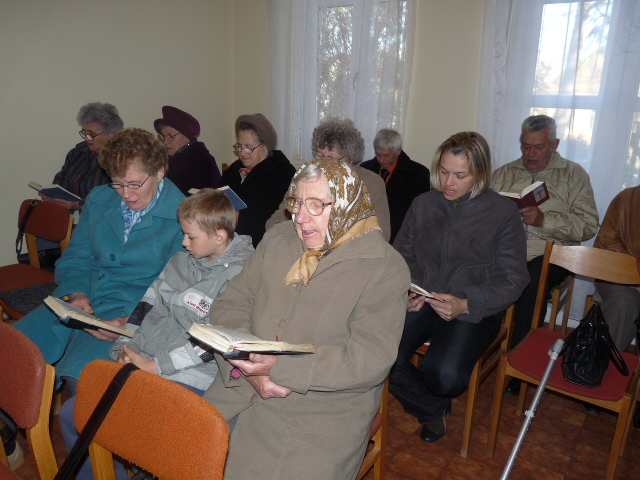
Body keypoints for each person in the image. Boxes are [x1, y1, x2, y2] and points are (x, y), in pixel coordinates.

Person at [203, 158, 410, 479]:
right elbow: (231, 302)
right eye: (296, 202)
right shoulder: (279, 238)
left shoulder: (384, 266)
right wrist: (246, 359)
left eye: (317, 205)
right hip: (238, 385)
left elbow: (369, 359)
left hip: (317, 415)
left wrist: (277, 366)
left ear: (348, 205)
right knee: (177, 457)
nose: (300, 217)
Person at [58, 188, 254, 480]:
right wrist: (125, 346)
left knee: (135, 434)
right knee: (73, 414)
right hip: (147, 364)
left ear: (219, 236)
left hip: (193, 376)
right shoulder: (181, 261)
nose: (184, 242)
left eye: (191, 236)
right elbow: (146, 306)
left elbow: (217, 342)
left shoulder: (243, 275)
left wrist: (156, 366)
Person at [12, 128, 185, 393]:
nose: (126, 194)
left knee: (81, 380)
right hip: (79, 303)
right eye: (117, 183)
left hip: (130, 313)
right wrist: (77, 292)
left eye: (134, 184)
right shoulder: (99, 198)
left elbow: (175, 289)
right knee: (12, 354)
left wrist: (131, 321)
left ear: (160, 172)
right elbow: (76, 258)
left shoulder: (183, 215)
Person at [390, 131, 529, 444]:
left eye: (460, 175)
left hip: (473, 306)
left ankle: (436, 398)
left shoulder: (503, 213)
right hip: (424, 298)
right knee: (381, 356)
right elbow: (401, 257)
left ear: (480, 173)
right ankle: (432, 411)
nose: (448, 183)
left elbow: (512, 279)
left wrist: (466, 304)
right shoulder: (423, 204)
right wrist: (408, 290)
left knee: (445, 378)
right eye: (443, 172)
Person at [491, 114, 599, 396]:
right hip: (506, 250)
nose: (530, 154)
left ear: (554, 144)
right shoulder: (504, 173)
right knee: (472, 268)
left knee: (528, 280)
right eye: (525, 146)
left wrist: (544, 220)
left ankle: (518, 363)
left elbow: (588, 225)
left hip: (552, 254)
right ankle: (478, 345)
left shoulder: (573, 174)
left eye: (538, 147)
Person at [267, 117, 392, 241]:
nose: (324, 162)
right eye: (320, 155)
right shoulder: (303, 179)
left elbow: (381, 235)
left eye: (332, 157)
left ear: (350, 159)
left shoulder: (371, 184)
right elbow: (274, 223)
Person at [220, 113, 295, 247]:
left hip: (259, 245)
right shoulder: (234, 169)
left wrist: (239, 217)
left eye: (248, 147)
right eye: (239, 146)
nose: (242, 153)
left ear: (265, 146)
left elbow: (276, 221)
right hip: (226, 239)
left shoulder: (284, 173)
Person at [42, 102, 123, 212]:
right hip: (70, 217)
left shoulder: (121, 158)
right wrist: (52, 195)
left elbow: (115, 196)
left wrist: (79, 205)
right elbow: (62, 179)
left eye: (91, 134)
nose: (87, 138)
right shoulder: (78, 152)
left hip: (103, 218)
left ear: (110, 134)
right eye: (85, 133)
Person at [361, 128, 430, 243]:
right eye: (378, 154)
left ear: (398, 152)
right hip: (368, 236)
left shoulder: (419, 174)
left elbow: (420, 213)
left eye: (386, 155)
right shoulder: (364, 169)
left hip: (400, 237)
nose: (381, 160)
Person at [154, 105, 221, 195]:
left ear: (187, 137)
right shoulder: (166, 160)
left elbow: (209, 199)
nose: (165, 142)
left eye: (170, 136)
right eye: (163, 136)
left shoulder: (204, 162)